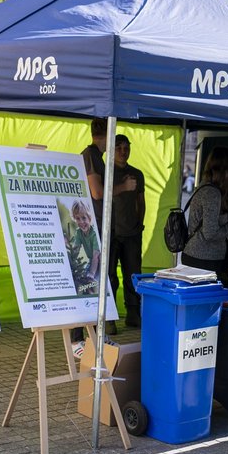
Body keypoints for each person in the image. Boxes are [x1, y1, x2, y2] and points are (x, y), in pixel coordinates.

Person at [81, 119, 137, 335]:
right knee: (95, 277)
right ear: (109, 133)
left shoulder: (97, 157)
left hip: (104, 226)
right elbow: (97, 192)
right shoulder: (92, 156)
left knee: (99, 277)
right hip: (95, 226)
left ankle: (91, 328)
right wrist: (123, 187)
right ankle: (82, 333)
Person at [182, 147, 228, 284]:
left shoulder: (205, 187)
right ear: (226, 171)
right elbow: (210, 233)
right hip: (203, 260)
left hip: (199, 256)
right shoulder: (212, 193)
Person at [108, 134, 145, 329]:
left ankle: (133, 313)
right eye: (119, 147)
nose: (123, 151)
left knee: (133, 275)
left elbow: (141, 202)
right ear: (111, 149)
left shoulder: (137, 173)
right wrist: (122, 187)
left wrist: (140, 225)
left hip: (132, 233)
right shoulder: (105, 171)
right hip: (111, 233)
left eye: (126, 147)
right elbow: (99, 194)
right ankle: (109, 318)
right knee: (110, 277)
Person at [67, 200, 100, 296]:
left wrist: (91, 274)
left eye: (84, 218)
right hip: (91, 261)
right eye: (78, 218)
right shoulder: (79, 233)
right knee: (84, 281)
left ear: (89, 217)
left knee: (92, 282)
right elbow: (75, 250)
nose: (81, 222)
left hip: (99, 261)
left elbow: (95, 256)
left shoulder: (94, 233)